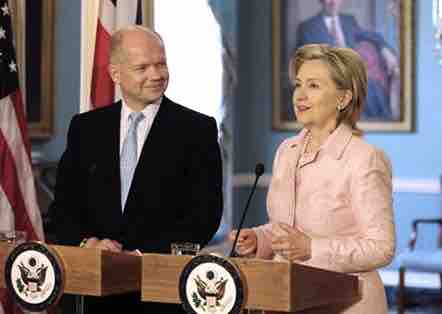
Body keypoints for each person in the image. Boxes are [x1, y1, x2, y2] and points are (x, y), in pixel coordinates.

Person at [52, 25, 223, 313]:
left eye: (161, 64)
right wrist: (89, 244)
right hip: (93, 292)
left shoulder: (196, 130)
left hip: (160, 292)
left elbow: (204, 216)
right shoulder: (86, 128)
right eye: (142, 67)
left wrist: (140, 257)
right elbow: (64, 207)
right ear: (115, 74)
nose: (156, 75)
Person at [230, 44, 395, 314]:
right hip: (285, 299)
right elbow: (285, 228)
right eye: (298, 85)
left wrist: (310, 249)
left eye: (314, 86)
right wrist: (260, 239)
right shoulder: (287, 150)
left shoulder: (365, 159)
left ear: (343, 98)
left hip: (347, 303)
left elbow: (381, 248)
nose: (300, 96)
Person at [295, 0, 400, 121]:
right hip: (328, 77)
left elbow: (371, 36)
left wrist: (385, 50)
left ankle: (387, 125)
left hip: (351, 74)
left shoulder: (349, 21)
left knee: (375, 89)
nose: (333, 2)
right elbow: (303, 60)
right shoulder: (307, 27)